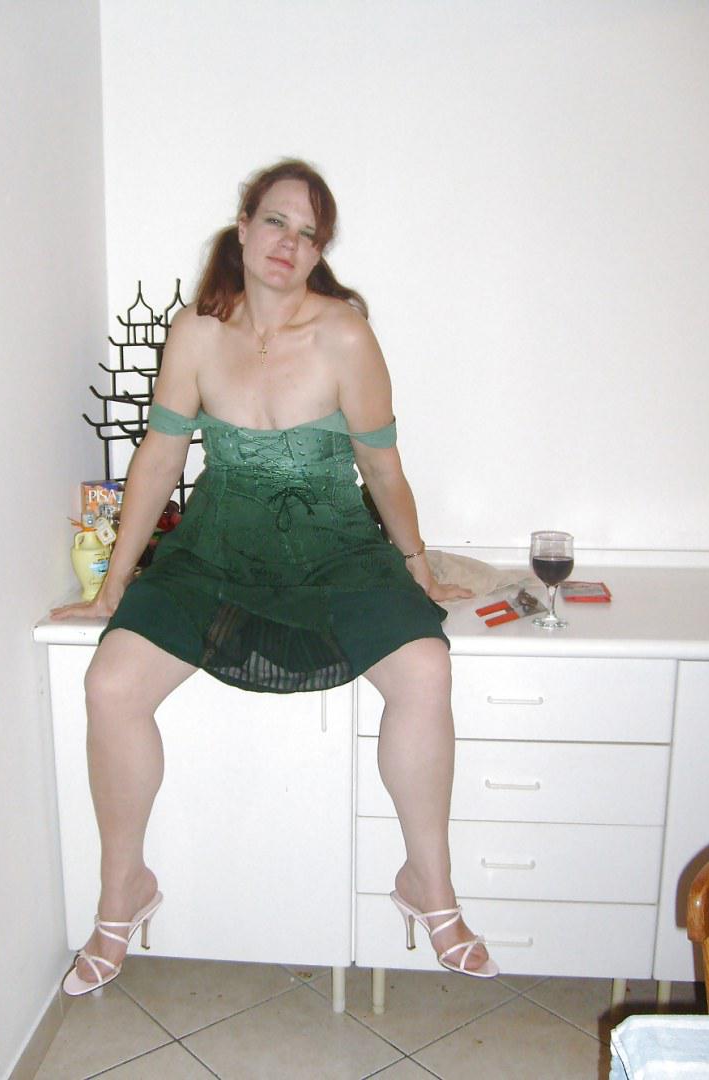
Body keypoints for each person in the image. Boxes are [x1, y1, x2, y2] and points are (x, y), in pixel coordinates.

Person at [52, 158, 498, 995]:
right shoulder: (195, 334)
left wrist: (418, 566)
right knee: (110, 683)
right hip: (214, 551)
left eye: (309, 233)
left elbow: (382, 467)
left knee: (426, 669)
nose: (289, 243)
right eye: (276, 222)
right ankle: (124, 891)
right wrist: (112, 587)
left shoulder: (345, 335)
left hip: (336, 550)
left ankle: (428, 884)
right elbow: (158, 460)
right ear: (244, 226)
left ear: (319, 251)